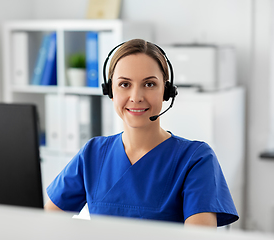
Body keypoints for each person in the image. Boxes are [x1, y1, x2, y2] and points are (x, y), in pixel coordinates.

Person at [45, 39, 239, 227]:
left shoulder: (196, 160)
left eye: (149, 84)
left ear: (166, 91)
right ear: (110, 91)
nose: (136, 97)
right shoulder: (92, 154)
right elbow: (45, 223)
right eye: (124, 84)